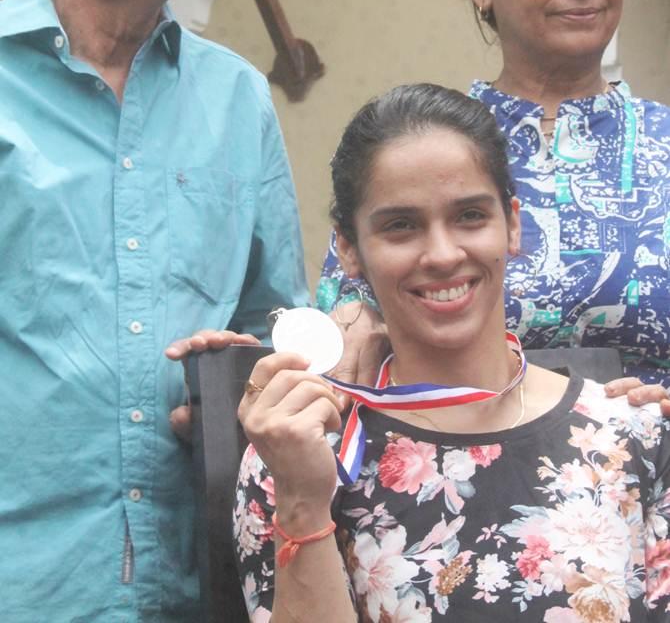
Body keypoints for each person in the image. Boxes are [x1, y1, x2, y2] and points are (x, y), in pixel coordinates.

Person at [0, 0, 307, 622]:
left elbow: (283, 321)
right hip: (26, 577)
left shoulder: (238, 98)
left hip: (198, 574)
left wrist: (241, 375)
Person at [235, 83, 670, 621]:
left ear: (512, 223)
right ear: (347, 248)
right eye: (401, 226)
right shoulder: (298, 453)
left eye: (469, 216)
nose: (442, 254)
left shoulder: (633, 437)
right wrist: (302, 501)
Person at [319, 0, 670, 391]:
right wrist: (351, 320)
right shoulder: (421, 148)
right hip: (457, 459)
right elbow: (343, 328)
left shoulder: (662, 144)